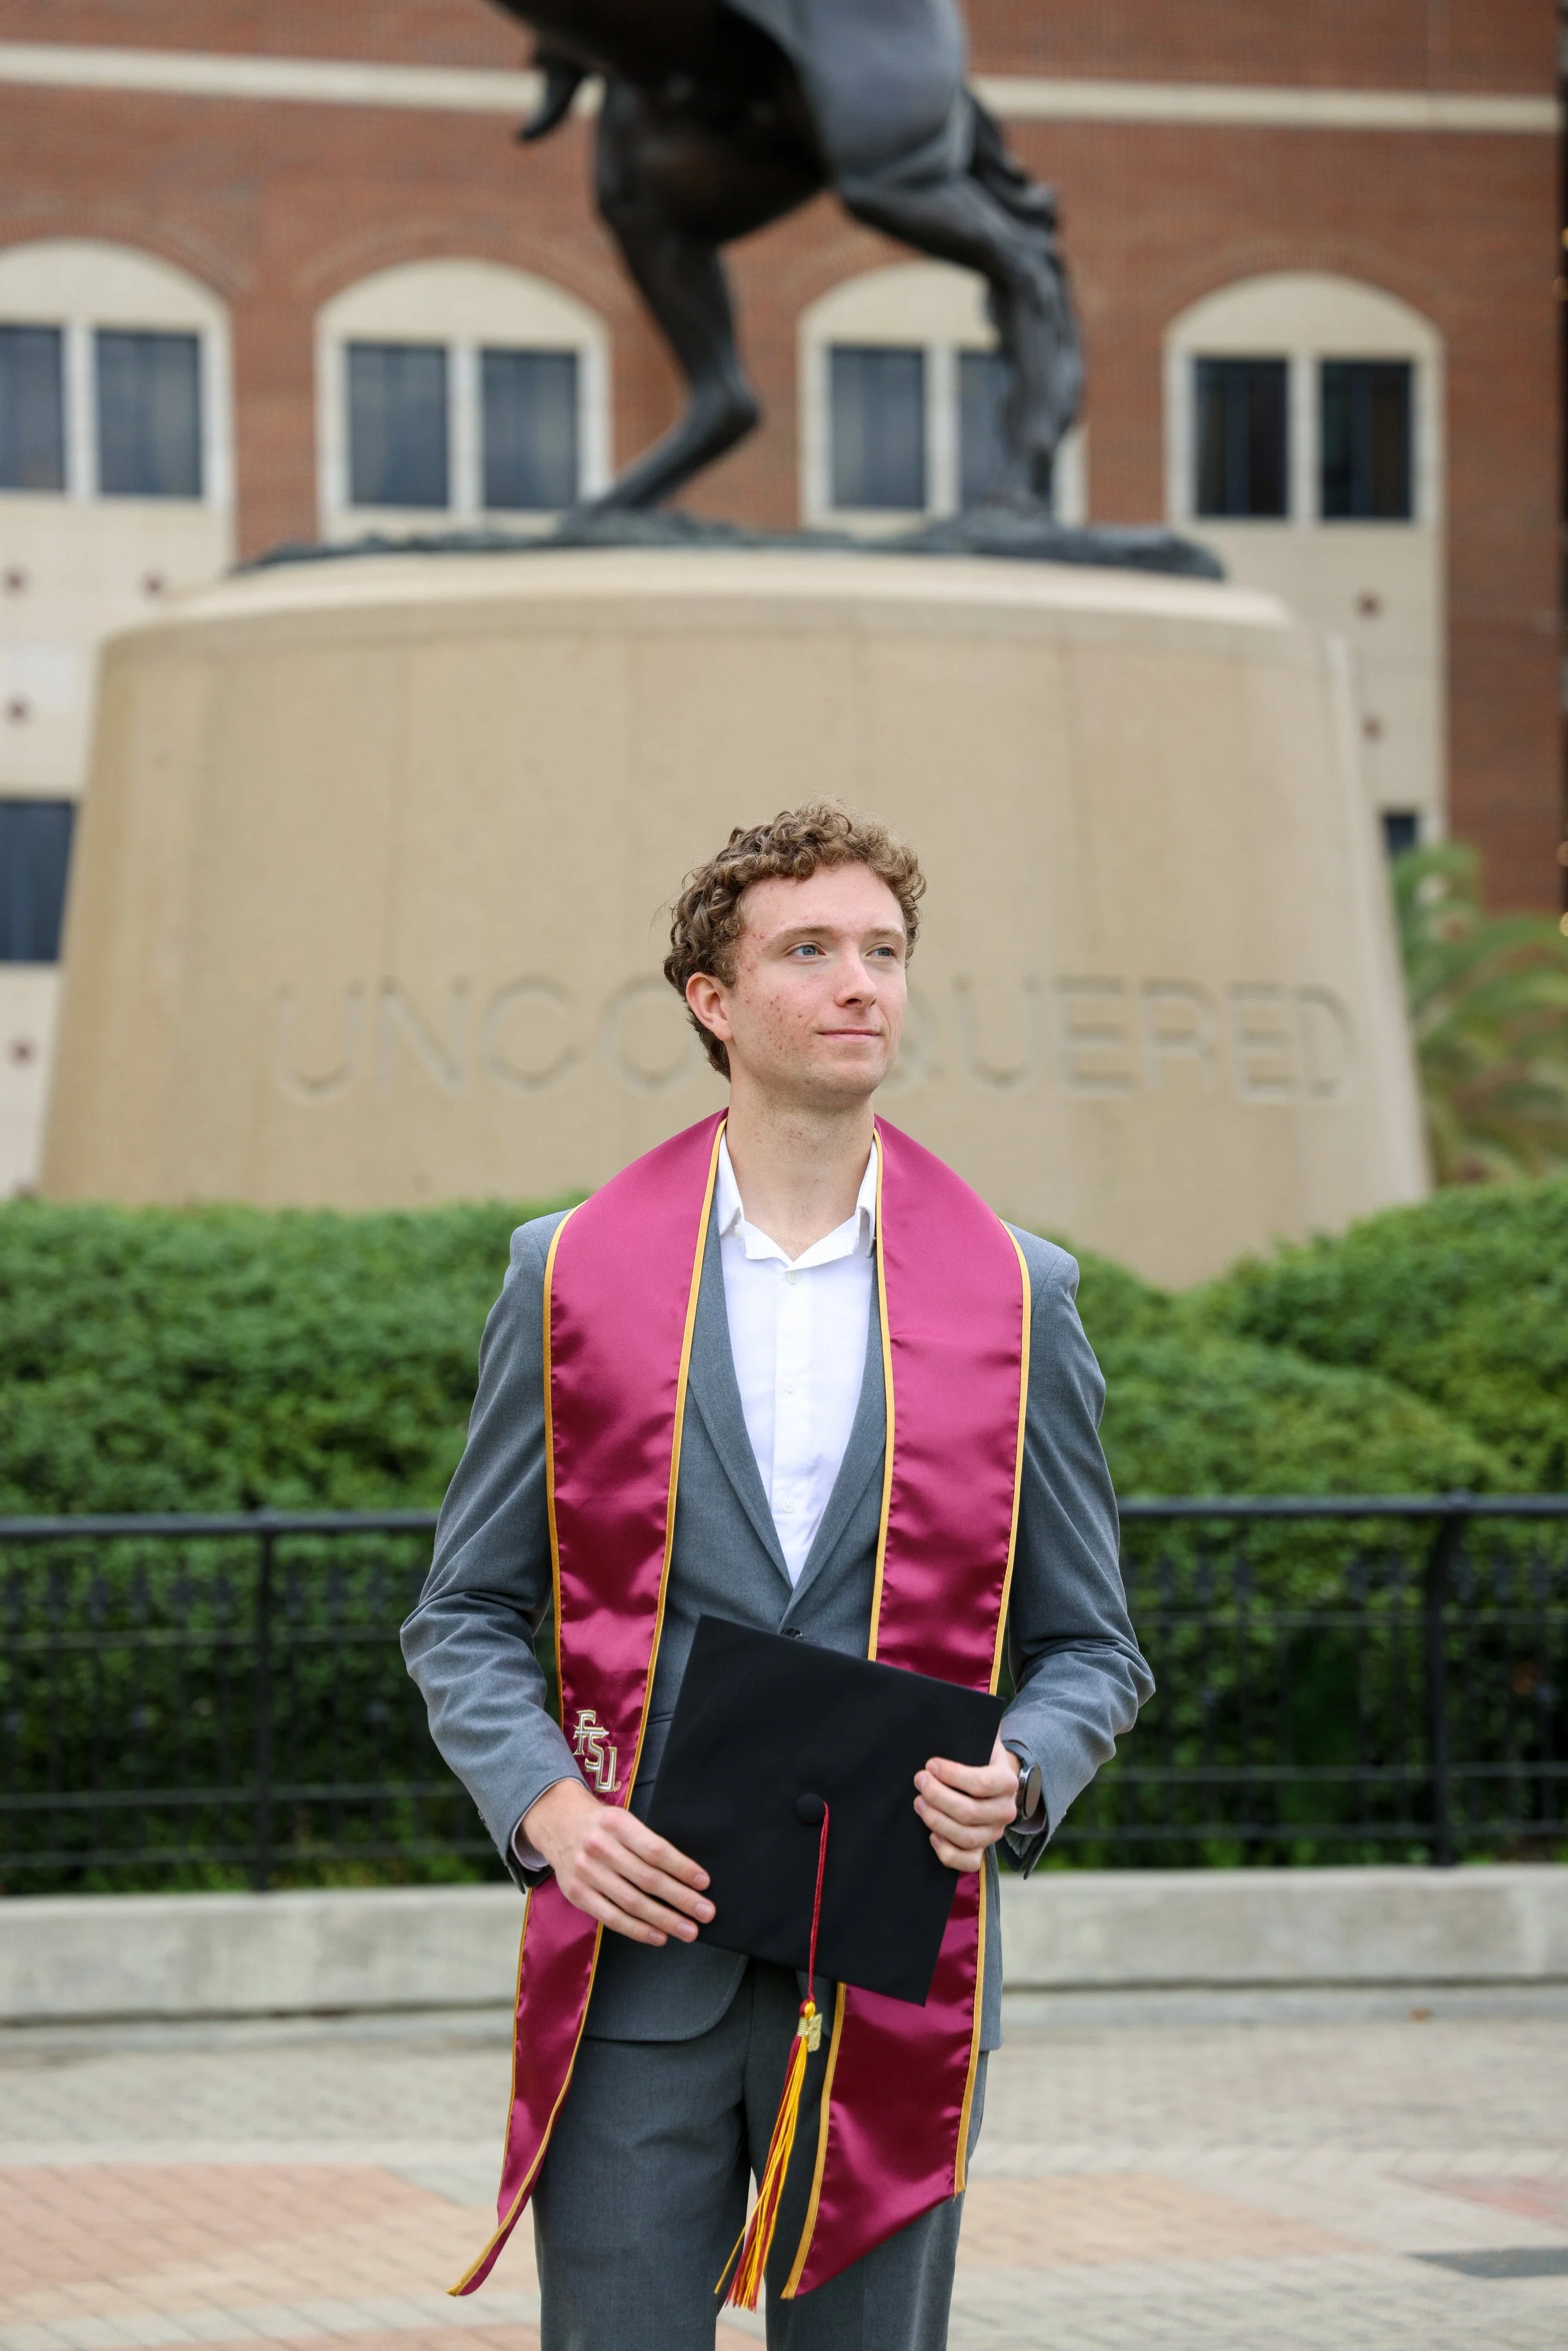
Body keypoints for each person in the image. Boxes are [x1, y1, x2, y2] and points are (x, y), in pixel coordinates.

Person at [402, 802, 1152, 2351]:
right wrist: (545, 1807)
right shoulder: (573, 1274)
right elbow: (465, 1609)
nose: (858, 982)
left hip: (895, 1957)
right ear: (712, 999)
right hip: (637, 1962)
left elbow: (1092, 1645)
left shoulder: (1021, 1292)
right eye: (807, 950)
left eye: (883, 951)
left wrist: (1021, 1769)